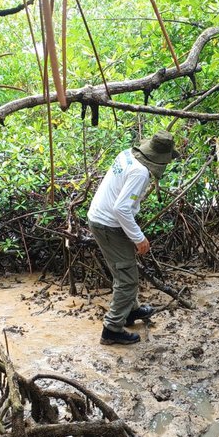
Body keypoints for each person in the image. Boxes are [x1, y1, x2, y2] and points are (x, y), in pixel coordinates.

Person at [88, 130, 180, 345]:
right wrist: (139, 238)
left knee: (125, 269)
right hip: (108, 224)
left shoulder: (127, 154)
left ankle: (131, 311)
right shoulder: (140, 172)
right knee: (127, 280)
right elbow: (121, 208)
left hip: (104, 220)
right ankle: (112, 329)